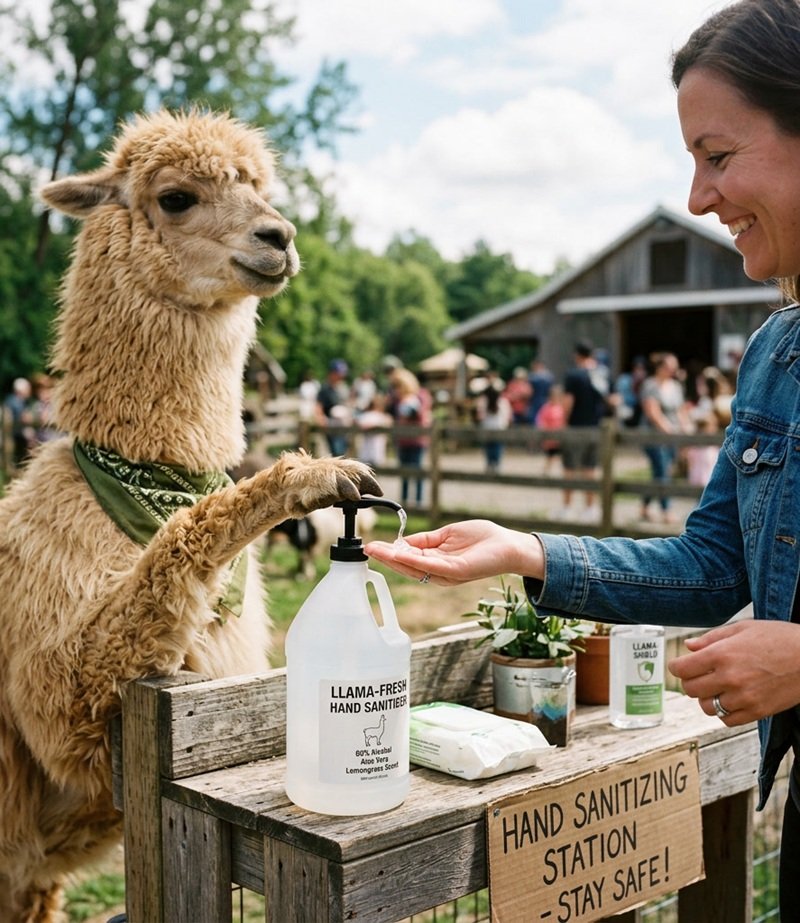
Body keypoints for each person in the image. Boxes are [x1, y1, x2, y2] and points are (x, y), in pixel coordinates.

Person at [366, 2, 800, 914]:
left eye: (717, 156)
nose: (696, 198)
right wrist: (527, 550)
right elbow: (711, 566)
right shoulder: (773, 357)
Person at [638, 353, 692, 524]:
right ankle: (666, 510)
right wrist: (667, 429)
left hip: (671, 435)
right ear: (661, 367)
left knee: (660, 472)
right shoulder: (650, 385)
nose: (673, 370)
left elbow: (681, 410)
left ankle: (644, 507)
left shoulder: (675, 386)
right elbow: (652, 412)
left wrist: (685, 427)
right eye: (670, 366)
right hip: (654, 435)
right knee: (662, 469)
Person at [559, 340, 609, 522]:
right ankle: (590, 508)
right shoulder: (601, 374)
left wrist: (563, 421)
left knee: (569, 468)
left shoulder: (574, 375)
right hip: (596, 427)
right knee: (591, 468)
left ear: (577, 355)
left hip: (576, 426)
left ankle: (567, 507)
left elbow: (568, 402)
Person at [389, 367, 430, 505]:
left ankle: (418, 503)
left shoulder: (420, 395)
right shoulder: (397, 399)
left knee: (417, 472)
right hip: (403, 440)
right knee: (404, 473)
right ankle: (405, 503)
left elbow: (422, 415)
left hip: (417, 440)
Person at [474, 370, 511, 473]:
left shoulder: (483, 401)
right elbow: (507, 415)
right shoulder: (502, 401)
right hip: (499, 426)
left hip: (488, 426)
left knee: (489, 447)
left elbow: (479, 415)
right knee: (497, 447)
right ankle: (496, 465)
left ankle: (490, 464)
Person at [316, 359, 352, 456]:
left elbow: (348, 403)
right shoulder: (325, 388)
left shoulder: (343, 388)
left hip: (343, 425)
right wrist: (320, 418)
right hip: (331, 425)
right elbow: (319, 405)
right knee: (336, 452)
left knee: (344, 451)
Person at [534, 384, 566, 475]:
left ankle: (564, 473)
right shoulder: (546, 407)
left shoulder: (562, 406)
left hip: (561, 437)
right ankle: (546, 472)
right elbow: (540, 420)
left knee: (563, 456)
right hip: (550, 438)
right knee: (550, 456)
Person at [2, 377, 34, 468]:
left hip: (11, 434)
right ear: (21, 390)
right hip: (14, 435)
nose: (29, 391)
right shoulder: (17, 402)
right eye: (28, 389)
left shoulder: (10, 399)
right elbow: (24, 418)